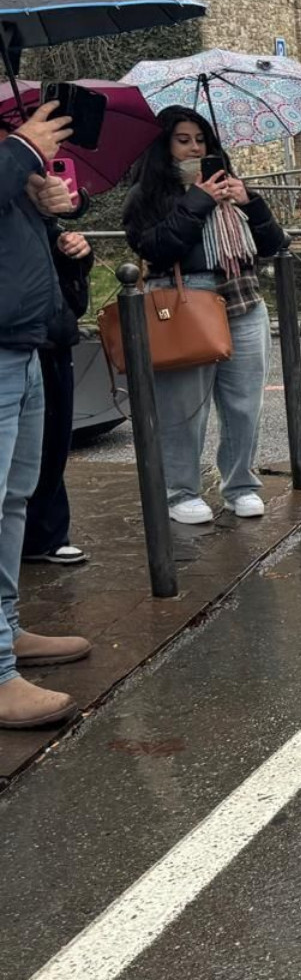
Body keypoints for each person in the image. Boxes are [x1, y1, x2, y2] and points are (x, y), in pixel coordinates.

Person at [123, 106, 287, 526]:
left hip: (242, 299)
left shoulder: (229, 189)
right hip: (184, 302)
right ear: (164, 146)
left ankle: (241, 485)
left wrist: (249, 201)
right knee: (183, 407)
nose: (195, 147)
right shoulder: (148, 194)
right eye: (183, 139)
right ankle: (181, 490)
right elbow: (156, 248)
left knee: (243, 404)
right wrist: (197, 202)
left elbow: (272, 245)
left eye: (201, 139)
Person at [0, 101, 93, 729]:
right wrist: (23, 153)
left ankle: (5, 634)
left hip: (23, 340)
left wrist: (41, 204)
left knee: (13, 499)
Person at [22, 219, 93, 567]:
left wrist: (75, 251)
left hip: (53, 333)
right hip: (20, 333)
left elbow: (66, 282)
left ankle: (44, 533)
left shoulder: (39, 212)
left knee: (52, 441)